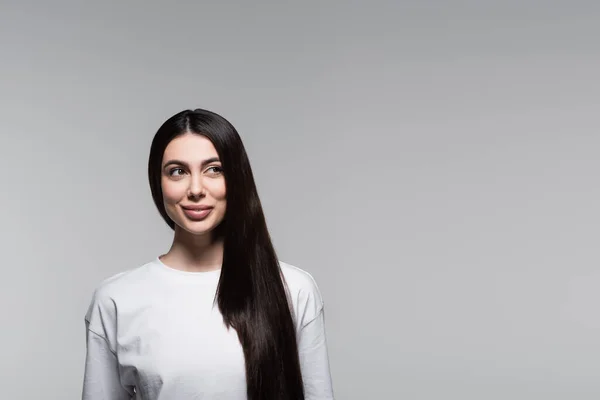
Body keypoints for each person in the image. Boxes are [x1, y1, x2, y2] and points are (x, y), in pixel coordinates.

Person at [81, 108, 334, 400]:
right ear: (157, 182)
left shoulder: (294, 289)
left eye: (214, 169)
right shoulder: (116, 300)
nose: (196, 189)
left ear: (237, 178)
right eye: (178, 171)